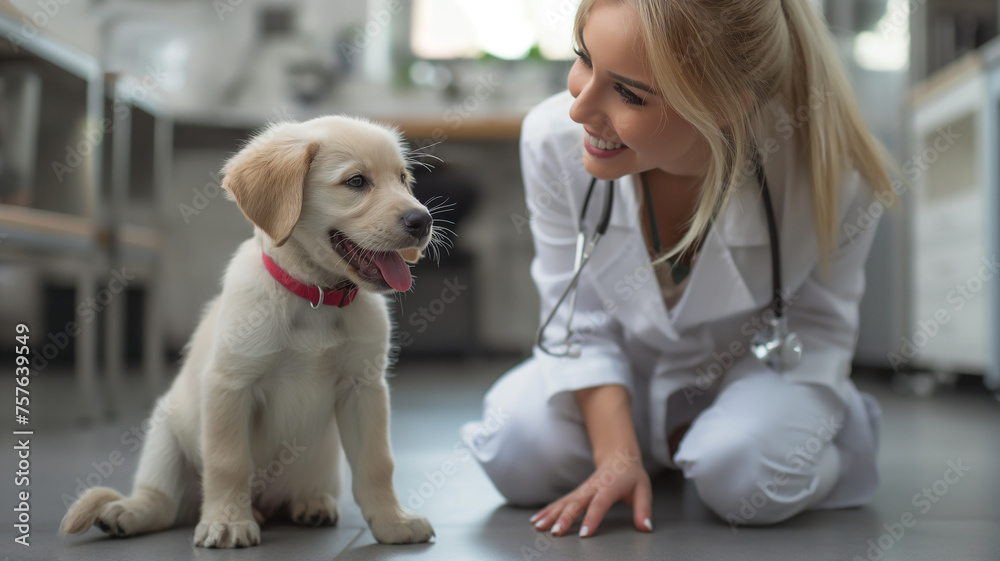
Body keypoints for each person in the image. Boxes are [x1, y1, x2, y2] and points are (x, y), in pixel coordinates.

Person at [460, 0, 898, 539]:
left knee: (743, 476)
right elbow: (574, 323)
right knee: (516, 451)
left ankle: (782, 445)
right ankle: (646, 454)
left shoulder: (832, 170)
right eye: (584, 59)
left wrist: (766, 419)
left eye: (628, 93)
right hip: (627, 371)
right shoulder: (552, 137)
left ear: (720, 105)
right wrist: (616, 453)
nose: (579, 108)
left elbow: (818, 332)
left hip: (754, 374)